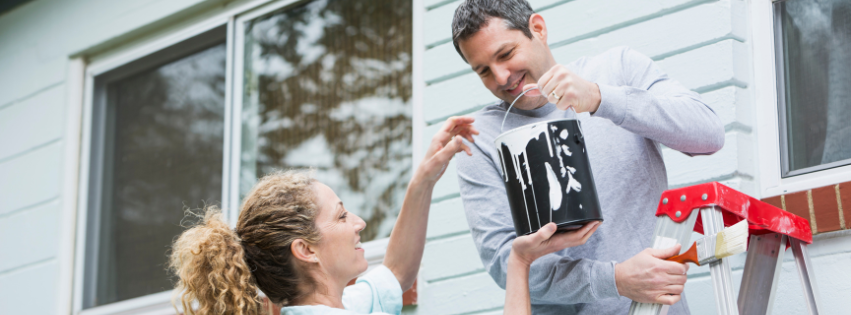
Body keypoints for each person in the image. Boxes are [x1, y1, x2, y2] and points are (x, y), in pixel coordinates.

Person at [451, 0, 726, 314]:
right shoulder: (481, 138)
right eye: (484, 71)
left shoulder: (617, 71)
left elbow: (709, 134)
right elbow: (505, 264)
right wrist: (614, 279)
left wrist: (600, 98)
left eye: (506, 54)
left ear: (537, 29)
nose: (501, 77)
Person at [168, 116, 599, 315]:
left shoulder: (342, 304)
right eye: (340, 217)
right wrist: (519, 263)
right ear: (305, 249)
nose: (358, 223)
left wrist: (425, 178)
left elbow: (396, 271)